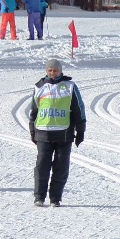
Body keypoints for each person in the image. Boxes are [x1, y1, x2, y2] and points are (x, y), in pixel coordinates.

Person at [28, 58, 86, 207]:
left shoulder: (69, 86)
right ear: (46, 71)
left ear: (60, 71)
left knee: (61, 166)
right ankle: (39, 197)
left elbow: (79, 108)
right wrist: (32, 130)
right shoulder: (39, 86)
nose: (52, 73)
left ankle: (55, 198)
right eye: (50, 70)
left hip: (64, 134)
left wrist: (80, 129)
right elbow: (34, 110)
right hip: (43, 133)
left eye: (55, 70)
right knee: (42, 165)